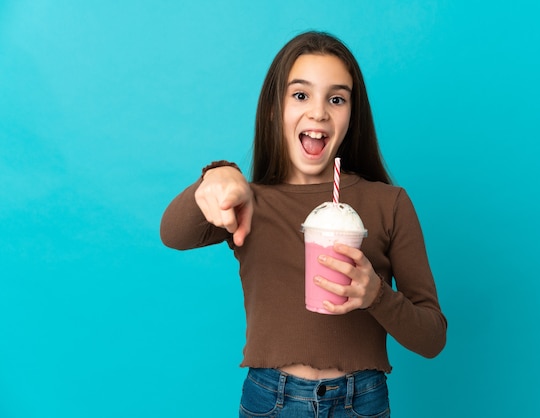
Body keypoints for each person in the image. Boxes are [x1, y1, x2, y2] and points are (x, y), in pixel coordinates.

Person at [160, 31, 446, 418]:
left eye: (336, 98)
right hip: (270, 399)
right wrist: (217, 175)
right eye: (300, 95)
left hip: (361, 401)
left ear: (351, 115)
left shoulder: (389, 204)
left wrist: (376, 294)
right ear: (274, 109)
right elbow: (173, 233)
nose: (318, 112)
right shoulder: (249, 202)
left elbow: (432, 338)